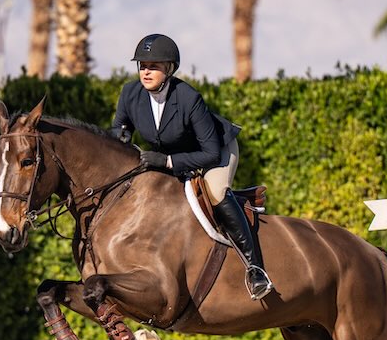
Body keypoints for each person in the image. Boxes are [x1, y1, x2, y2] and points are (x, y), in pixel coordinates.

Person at [110, 33, 273, 300]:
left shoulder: (188, 98)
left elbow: (208, 152)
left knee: (216, 192)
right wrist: (122, 137)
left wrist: (167, 162)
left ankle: (255, 268)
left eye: (154, 66)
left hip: (216, 151)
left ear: (170, 69)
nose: (146, 71)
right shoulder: (130, 93)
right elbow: (120, 126)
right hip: (177, 153)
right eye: (142, 65)